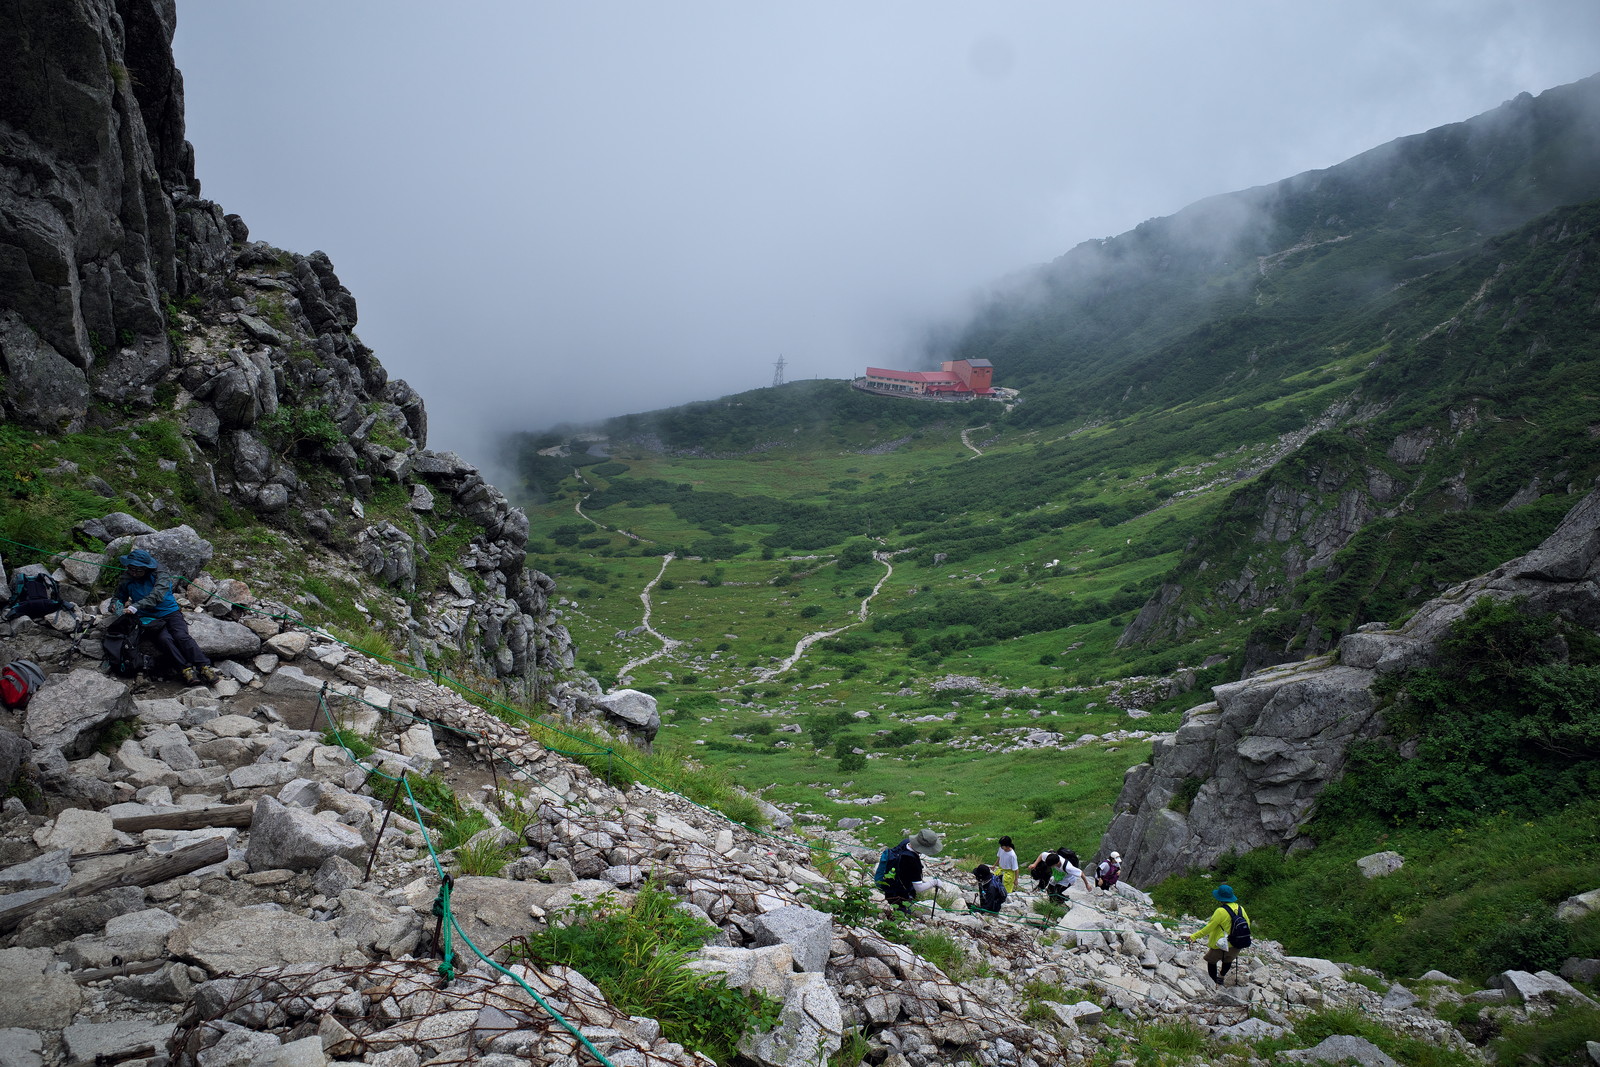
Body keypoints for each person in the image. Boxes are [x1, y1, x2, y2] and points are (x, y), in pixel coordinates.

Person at [110, 549, 217, 685]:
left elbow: (156, 596)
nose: (134, 573)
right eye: (131, 569)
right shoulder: (127, 578)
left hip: (170, 612)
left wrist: (134, 607)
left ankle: (204, 667)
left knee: (181, 636)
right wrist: (114, 605)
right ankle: (185, 670)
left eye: (138, 570)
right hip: (148, 618)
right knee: (165, 639)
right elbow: (119, 597)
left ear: (146, 568)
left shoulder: (160, 575)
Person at [879, 829, 958, 913]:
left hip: (890, 885)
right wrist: (934, 882)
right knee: (902, 913)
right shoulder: (912, 861)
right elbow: (919, 888)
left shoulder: (906, 842)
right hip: (900, 895)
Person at [1187, 884, 1251, 986]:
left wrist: (1194, 936)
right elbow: (1247, 924)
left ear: (1220, 898)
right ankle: (1221, 977)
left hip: (1221, 944)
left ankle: (1213, 982)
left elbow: (1209, 928)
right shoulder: (1241, 908)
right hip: (1237, 943)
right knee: (1228, 961)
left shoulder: (1220, 911)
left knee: (1211, 961)